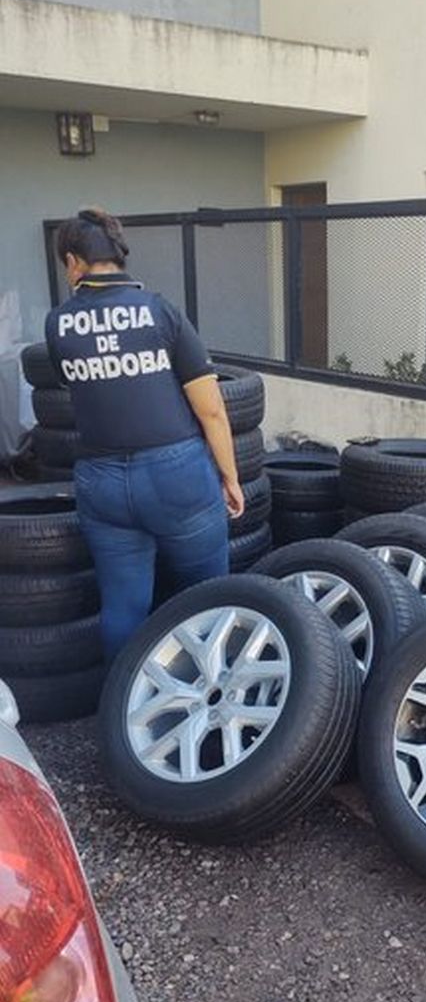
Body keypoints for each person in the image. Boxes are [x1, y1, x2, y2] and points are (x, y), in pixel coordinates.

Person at [45, 206, 244, 662]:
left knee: (123, 608)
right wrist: (230, 478)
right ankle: (213, 689)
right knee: (208, 597)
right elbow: (211, 410)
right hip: (177, 476)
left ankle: (125, 700)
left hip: (101, 482)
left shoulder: (58, 323)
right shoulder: (160, 312)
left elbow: (79, 386)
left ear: (73, 262)